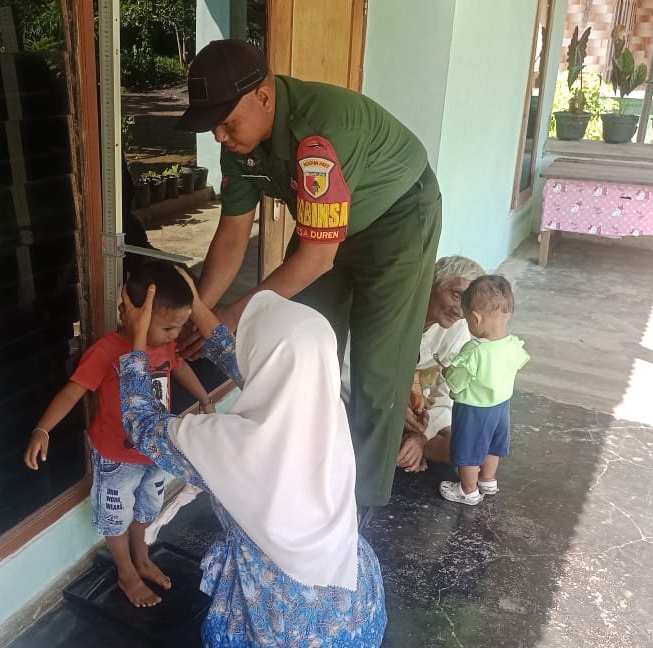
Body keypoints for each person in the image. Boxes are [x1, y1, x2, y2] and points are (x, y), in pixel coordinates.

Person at [174, 39, 441, 513]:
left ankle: (356, 508)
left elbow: (315, 260)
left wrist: (234, 314)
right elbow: (233, 234)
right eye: (212, 124)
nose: (219, 136)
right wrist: (201, 312)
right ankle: (307, 471)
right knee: (301, 348)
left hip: (397, 219)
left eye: (226, 122)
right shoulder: (240, 141)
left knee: (378, 370)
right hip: (324, 229)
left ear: (263, 96)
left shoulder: (322, 135)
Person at [118, 270, 386, 647]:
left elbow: (141, 423)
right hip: (354, 603)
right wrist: (195, 304)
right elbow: (254, 368)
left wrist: (137, 342)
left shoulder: (229, 446)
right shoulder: (323, 407)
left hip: (283, 619)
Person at [23, 263, 214, 607]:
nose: (174, 336)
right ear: (131, 315)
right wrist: (43, 428)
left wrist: (205, 397)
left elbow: (180, 367)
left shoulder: (165, 346)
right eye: (168, 327)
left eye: (180, 327)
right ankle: (126, 572)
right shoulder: (107, 351)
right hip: (117, 457)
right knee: (116, 517)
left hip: (155, 451)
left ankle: (142, 559)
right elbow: (73, 391)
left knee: (147, 508)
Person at [438, 275, 530, 506]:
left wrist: (448, 371)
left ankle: (467, 490)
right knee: (492, 445)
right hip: (501, 406)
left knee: (468, 448)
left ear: (476, 317)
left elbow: (457, 382)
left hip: (473, 409)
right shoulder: (513, 344)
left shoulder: (474, 350)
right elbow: (515, 365)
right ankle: (488, 480)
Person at [395, 256, 486, 473]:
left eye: (468, 303)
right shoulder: (397, 311)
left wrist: (422, 435)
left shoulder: (458, 329)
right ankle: (395, 442)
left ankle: (408, 446)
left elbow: (450, 388)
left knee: (468, 448)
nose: (460, 311)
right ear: (432, 283)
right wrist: (394, 409)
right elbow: (352, 372)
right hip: (378, 403)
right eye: (456, 295)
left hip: (420, 411)